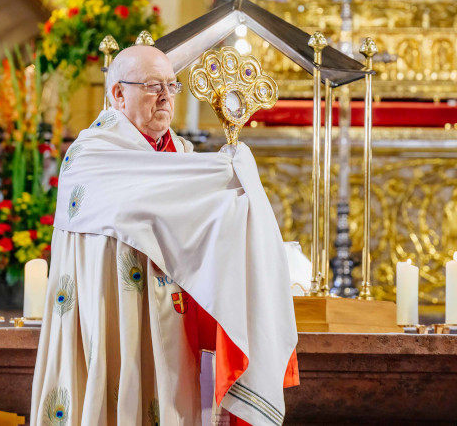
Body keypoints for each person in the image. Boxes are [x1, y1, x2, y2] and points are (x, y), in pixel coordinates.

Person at [30, 45, 299, 426]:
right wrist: (222, 175)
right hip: (111, 315)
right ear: (118, 93)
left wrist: (235, 189)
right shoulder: (90, 156)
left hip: (172, 327)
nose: (165, 97)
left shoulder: (183, 156)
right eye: (153, 85)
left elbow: (207, 228)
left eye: (172, 86)